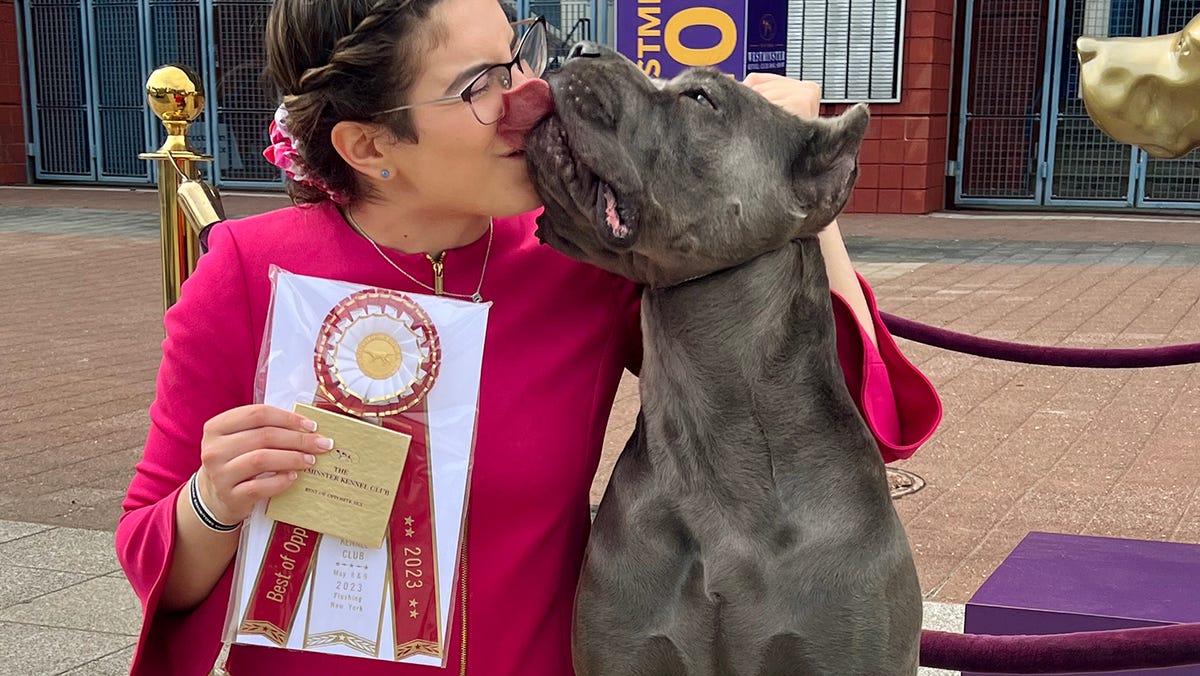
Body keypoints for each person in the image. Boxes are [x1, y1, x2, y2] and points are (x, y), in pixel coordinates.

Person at [116, 0, 941, 673]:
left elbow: (867, 417)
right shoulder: (248, 272)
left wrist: (796, 169)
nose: (527, 94)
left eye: (520, 55)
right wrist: (211, 501)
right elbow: (151, 556)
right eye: (480, 84)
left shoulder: (575, 259)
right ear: (369, 146)